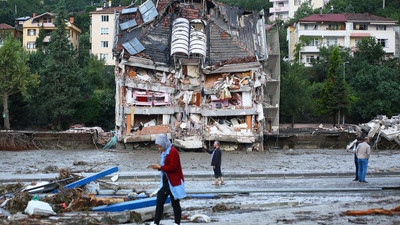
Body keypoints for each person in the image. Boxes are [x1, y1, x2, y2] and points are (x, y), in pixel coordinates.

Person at [149, 134, 185, 225]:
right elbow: (165, 166)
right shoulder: (164, 152)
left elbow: (173, 167)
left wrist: (160, 167)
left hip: (173, 181)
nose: (159, 149)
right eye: (158, 147)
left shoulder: (173, 152)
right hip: (167, 180)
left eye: (160, 146)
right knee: (162, 200)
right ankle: (157, 222)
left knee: (172, 202)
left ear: (164, 144)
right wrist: (159, 167)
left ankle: (175, 223)